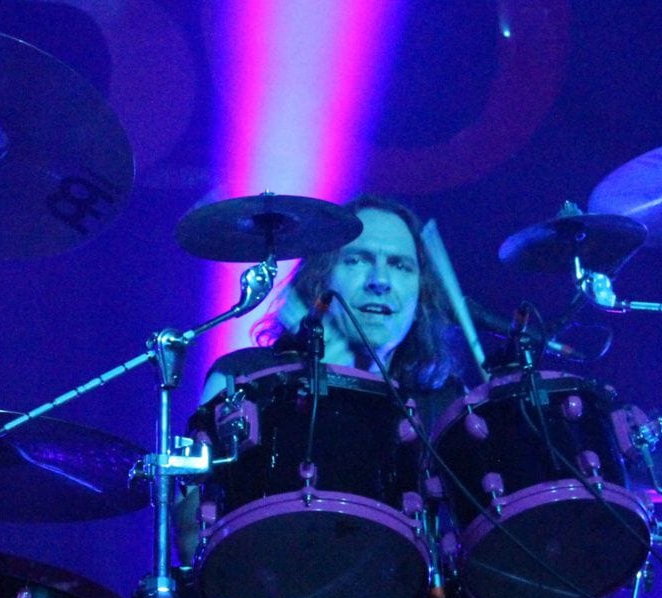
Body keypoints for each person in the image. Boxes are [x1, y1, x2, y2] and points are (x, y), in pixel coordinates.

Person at [178, 196, 481, 569]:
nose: (380, 281)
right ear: (321, 278)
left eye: (400, 265)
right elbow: (191, 538)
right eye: (357, 260)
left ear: (422, 293)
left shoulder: (446, 401)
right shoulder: (244, 377)